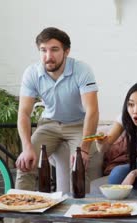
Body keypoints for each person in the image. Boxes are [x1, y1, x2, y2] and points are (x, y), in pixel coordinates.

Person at [15, 27, 99, 193]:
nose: (48, 56)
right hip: (49, 124)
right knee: (25, 166)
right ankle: (21, 220)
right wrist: (27, 148)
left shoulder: (82, 70)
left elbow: (92, 111)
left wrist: (84, 148)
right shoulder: (31, 73)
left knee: (80, 168)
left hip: (78, 124)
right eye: (43, 50)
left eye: (54, 50)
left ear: (66, 51)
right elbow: (24, 113)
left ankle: (79, 218)